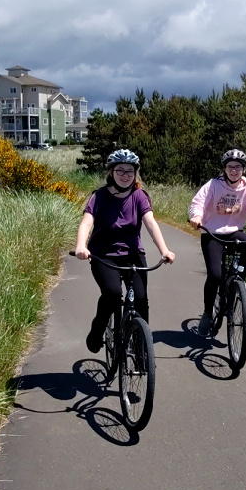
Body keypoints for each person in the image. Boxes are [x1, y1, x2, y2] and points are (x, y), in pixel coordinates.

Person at [74, 149, 175, 353]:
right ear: (111, 172)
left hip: (133, 254)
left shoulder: (139, 196)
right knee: (112, 294)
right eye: (120, 170)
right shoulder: (99, 196)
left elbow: (150, 223)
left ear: (135, 173)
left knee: (140, 299)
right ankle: (97, 330)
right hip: (103, 255)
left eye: (130, 171)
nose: (125, 175)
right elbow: (87, 223)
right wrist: (81, 246)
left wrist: (164, 250)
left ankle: (141, 344)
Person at [189, 149, 246, 336]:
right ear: (224, 169)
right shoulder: (213, 185)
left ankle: (239, 283)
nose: (234, 170)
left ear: (243, 169)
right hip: (212, 233)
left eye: (238, 167)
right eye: (230, 167)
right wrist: (196, 217)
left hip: (234, 232)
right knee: (214, 275)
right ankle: (207, 314)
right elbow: (198, 203)